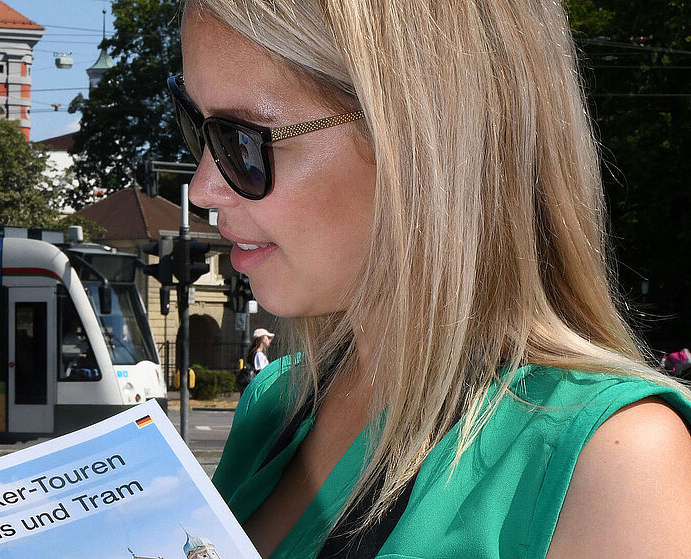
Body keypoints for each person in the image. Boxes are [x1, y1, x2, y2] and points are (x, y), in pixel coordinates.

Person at [176, 1, 691, 557]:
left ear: (425, 143)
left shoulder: (613, 462)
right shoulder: (275, 402)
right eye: (194, 127)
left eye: (242, 142)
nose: (203, 188)